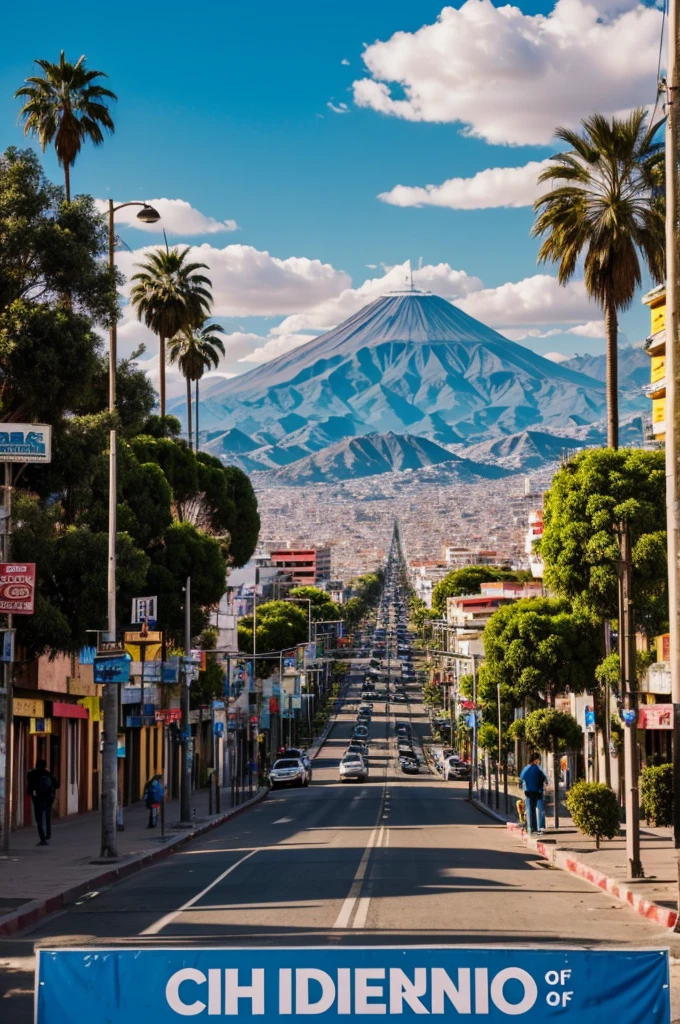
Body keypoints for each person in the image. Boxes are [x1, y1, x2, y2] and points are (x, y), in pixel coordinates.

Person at [26, 758, 58, 846]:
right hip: (48, 799)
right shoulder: (48, 774)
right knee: (47, 818)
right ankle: (48, 834)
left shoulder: (33, 773)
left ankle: (42, 839)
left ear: (37, 765)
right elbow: (56, 785)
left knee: (39, 820)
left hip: (37, 799)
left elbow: (29, 783)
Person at [519, 753, 548, 835]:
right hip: (538, 792)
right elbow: (545, 779)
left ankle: (531, 827)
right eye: (538, 760)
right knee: (540, 810)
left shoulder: (526, 769)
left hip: (529, 792)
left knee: (530, 810)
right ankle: (540, 827)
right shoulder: (538, 769)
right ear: (535, 760)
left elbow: (521, 780)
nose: (538, 761)